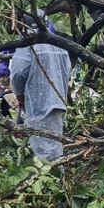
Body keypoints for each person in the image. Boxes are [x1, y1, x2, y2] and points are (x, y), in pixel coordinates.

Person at [9, 9, 72, 163]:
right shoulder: (59, 45)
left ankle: (50, 183)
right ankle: (58, 179)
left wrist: (19, 94)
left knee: (44, 150)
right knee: (55, 144)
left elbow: (18, 74)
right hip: (58, 101)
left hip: (39, 104)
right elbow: (68, 73)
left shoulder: (28, 45)